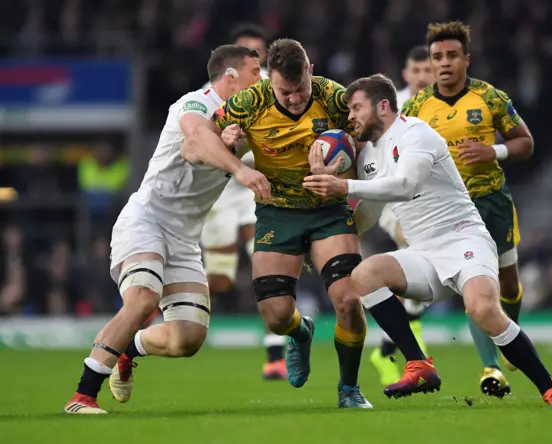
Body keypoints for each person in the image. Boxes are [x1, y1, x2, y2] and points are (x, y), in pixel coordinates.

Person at [302, 73, 552, 407]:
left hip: (464, 241)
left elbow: (406, 186)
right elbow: (369, 213)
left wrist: (344, 187)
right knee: (364, 275)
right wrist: (326, 242)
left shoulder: (415, 132)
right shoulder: (369, 157)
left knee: (483, 309)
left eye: (357, 107)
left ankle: (550, 387)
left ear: (383, 106)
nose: (351, 116)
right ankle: (418, 364)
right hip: (424, 255)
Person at [215, 38, 421, 408]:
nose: (294, 98)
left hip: (329, 210)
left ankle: (349, 389)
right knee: (277, 317)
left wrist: (352, 162)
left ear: (311, 72)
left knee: (349, 298)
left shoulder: (335, 98)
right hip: (277, 209)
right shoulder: (248, 103)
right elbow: (206, 135)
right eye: (285, 91)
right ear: (270, 80)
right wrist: (227, 136)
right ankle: (301, 330)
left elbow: (372, 134)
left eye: (301, 89)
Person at [63, 45, 268, 414]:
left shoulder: (250, 119)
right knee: (143, 299)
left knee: (188, 338)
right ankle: (82, 395)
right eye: (256, 72)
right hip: (147, 221)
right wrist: (240, 169)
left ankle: (128, 347)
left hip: (185, 239)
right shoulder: (194, 103)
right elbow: (195, 141)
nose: (262, 79)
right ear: (231, 77)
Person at [401, 21, 534, 397]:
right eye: (437, 57)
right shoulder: (416, 107)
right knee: (474, 287)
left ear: (466, 59)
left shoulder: (490, 98)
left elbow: (526, 141)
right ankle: (491, 367)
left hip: (491, 201)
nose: (444, 63)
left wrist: (494, 151)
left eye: (451, 56)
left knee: (507, 283)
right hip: (448, 213)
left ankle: (510, 330)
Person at [201, 24, 287, 380]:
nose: (254, 56)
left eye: (257, 51)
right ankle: (159, 304)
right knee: (219, 282)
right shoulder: (213, 94)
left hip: (256, 188)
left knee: (264, 267)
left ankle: (275, 355)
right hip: (221, 194)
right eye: (245, 49)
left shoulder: (274, 89)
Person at [370, 44, 435, 386]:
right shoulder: (393, 106)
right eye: (417, 70)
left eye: (429, 70)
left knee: (422, 268)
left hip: (430, 200)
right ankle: (412, 352)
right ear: (406, 74)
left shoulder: (442, 108)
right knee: (416, 249)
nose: (423, 76)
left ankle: (387, 347)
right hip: (393, 198)